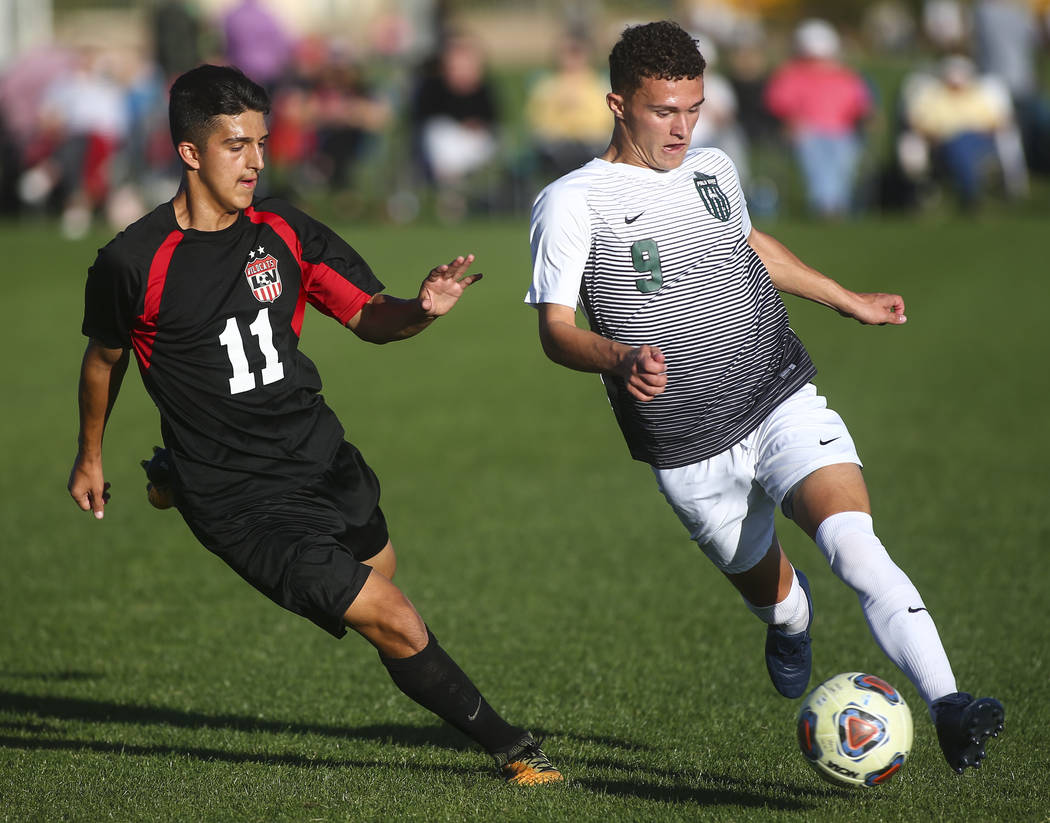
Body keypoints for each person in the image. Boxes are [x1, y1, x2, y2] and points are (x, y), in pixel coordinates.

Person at [526, 20, 1004, 775]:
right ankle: (788, 622)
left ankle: (950, 702)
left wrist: (845, 298)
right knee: (781, 601)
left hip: (777, 393)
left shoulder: (715, 167)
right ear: (618, 103)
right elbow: (554, 330)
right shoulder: (572, 201)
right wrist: (617, 357)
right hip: (686, 446)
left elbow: (747, 246)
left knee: (855, 542)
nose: (683, 128)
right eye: (663, 111)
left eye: (695, 107)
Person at [67, 64, 561, 787]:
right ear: (190, 152)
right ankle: (513, 747)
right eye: (237, 145)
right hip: (239, 497)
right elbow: (102, 361)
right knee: (390, 614)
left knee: (380, 575)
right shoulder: (132, 262)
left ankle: (172, 467)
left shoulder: (285, 229)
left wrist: (420, 308)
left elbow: (368, 315)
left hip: (320, 453)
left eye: (262, 143)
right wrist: (88, 455)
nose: (259, 161)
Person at [763, 19, 872, 218]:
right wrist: (791, 120)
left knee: (843, 158)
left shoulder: (846, 76)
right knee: (815, 156)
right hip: (806, 130)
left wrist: (865, 119)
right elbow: (777, 102)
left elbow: (861, 105)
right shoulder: (791, 74)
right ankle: (825, 205)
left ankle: (836, 203)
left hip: (842, 131)